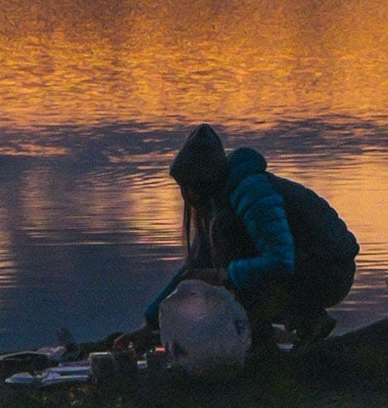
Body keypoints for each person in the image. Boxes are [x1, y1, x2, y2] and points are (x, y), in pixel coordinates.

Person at [120, 124, 360, 353]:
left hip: (330, 272)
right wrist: (151, 322)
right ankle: (295, 324)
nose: (188, 198)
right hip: (306, 268)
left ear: (204, 182)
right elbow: (194, 268)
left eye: (189, 189)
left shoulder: (252, 192)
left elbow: (279, 261)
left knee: (228, 252)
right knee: (225, 261)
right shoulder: (220, 201)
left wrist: (224, 276)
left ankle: (295, 324)